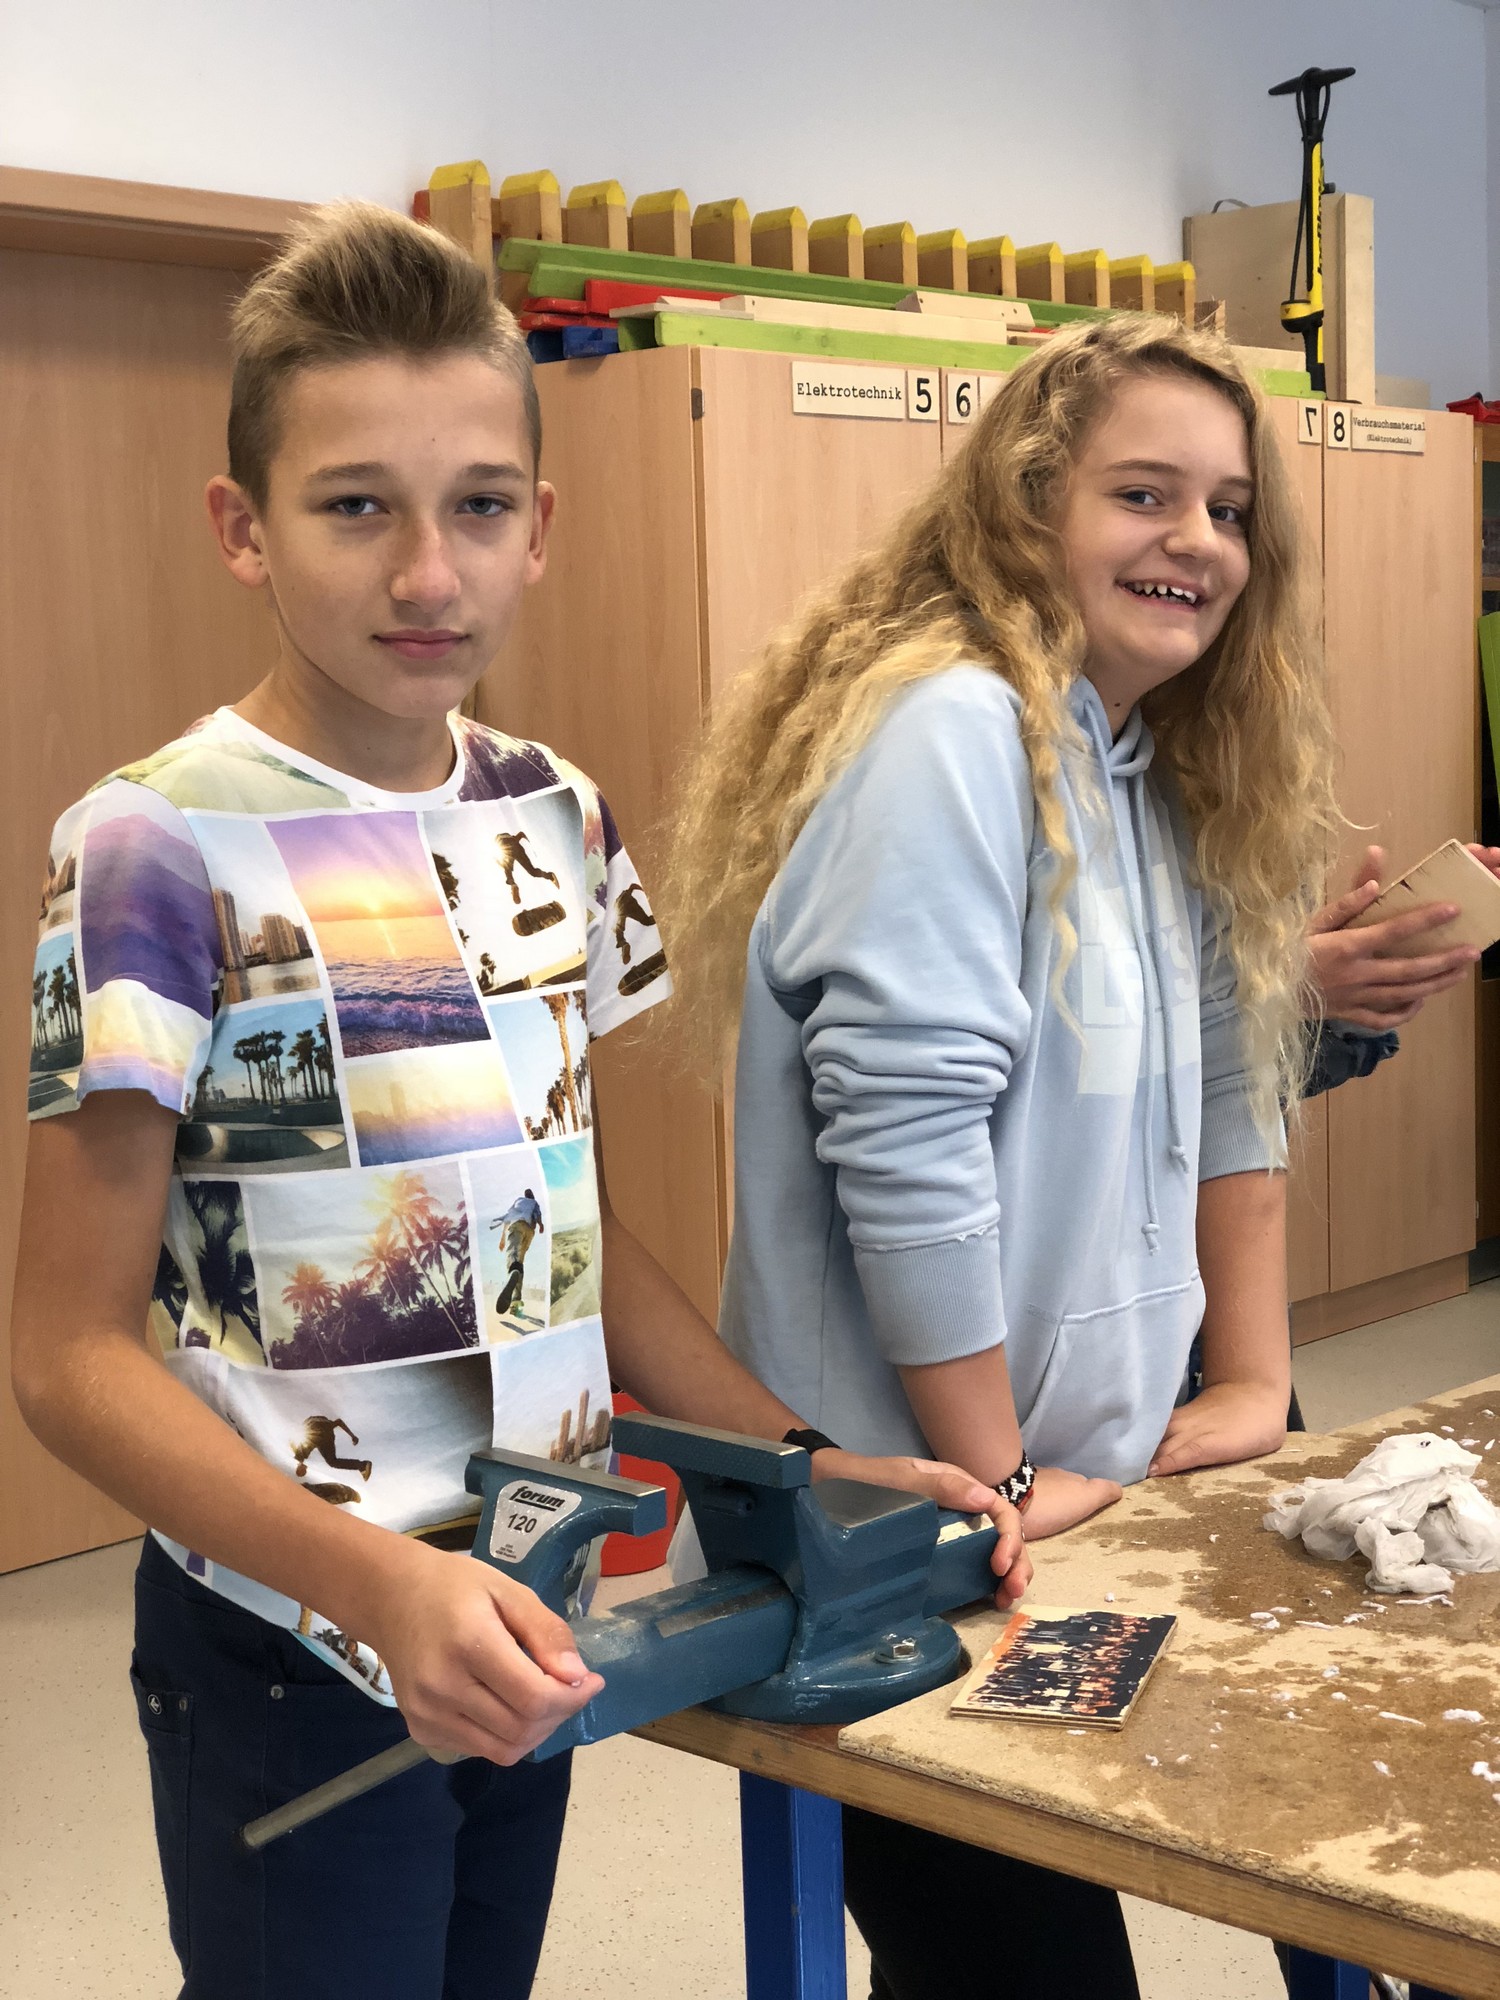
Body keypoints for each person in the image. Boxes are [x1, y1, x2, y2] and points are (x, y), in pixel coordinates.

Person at [8, 204, 1030, 2000]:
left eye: (478, 506)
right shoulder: (154, 846)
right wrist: (372, 1585)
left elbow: (571, 1236)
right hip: (299, 1645)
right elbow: (67, 1357)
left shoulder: (553, 812)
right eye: (356, 507)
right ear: (242, 529)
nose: (428, 573)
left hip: (530, 1599)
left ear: (539, 528)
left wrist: (803, 1458)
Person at [664, 314, 1343, 1999]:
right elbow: (907, 1147)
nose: (1198, 541)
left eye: (1230, 509)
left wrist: (1254, 1380)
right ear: (1029, 506)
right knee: (1026, 1971)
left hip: (1066, 1500)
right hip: (913, 1522)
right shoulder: (956, 734)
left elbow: (1234, 1088)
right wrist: (1005, 1488)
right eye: (1144, 494)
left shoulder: (1156, 766)